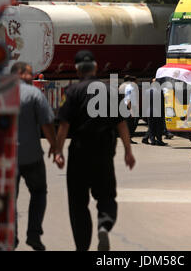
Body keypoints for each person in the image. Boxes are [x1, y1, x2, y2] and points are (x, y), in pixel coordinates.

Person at [55, 50, 136, 251]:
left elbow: (63, 125)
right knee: (107, 197)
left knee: (78, 204)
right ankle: (104, 226)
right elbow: (122, 124)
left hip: (79, 152)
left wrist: (58, 151)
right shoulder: (110, 90)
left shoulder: (72, 92)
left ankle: (82, 247)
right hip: (104, 151)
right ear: (96, 67)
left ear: (76, 69)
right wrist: (128, 151)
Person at [11, 61, 58, 251]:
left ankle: (10, 236)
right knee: (38, 192)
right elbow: (47, 123)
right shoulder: (34, 94)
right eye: (28, 73)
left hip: (7, 159)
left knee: (8, 199)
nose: (32, 77)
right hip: (31, 156)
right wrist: (55, 146)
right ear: (19, 74)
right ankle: (33, 234)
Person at [143, 78, 167, 146]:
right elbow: (162, 103)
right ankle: (159, 140)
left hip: (149, 110)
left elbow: (145, 102)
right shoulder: (160, 91)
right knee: (159, 127)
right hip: (158, 111)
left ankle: (152, 140)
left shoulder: (147, 91)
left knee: (151, 126)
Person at [124, 75, 139, 144]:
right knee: (131, 124)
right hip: (130, 107)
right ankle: (129, 138)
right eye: (136, 81)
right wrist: (131, 109)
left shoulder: (129, 87)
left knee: (131, 123)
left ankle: (129, 138)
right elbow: (128, 100)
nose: (137, 82)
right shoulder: (131, 88)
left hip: (130, 107)